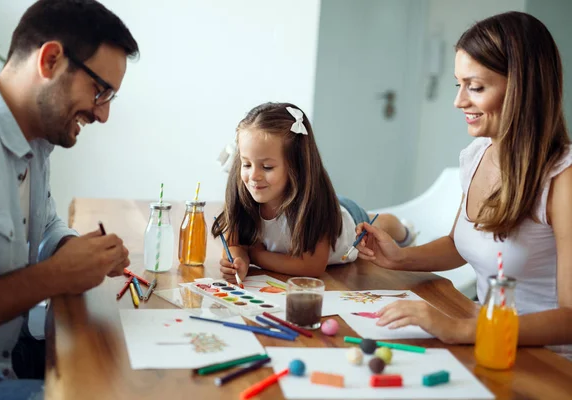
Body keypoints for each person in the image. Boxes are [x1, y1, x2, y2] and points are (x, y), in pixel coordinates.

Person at [356, 11, 572, 353]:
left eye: (476, 87)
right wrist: (400, 258)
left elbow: (570, 318)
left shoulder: (563, 180)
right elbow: (461, 244)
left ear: (522, 88)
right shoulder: (477, 155)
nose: (459, 101)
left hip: (547, 362)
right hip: (484, 342)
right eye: (459, 85)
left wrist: (458, 328)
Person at [0, 0, 139, 398]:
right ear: (50, 60)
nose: (103, 116)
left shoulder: (34, 138)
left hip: (8, 359)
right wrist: (56, 276)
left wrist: (72, 249)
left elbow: (42, 225)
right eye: (100, 92)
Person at [212, 102, 414, 283]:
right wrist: (239, 261)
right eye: (247, 164)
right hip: (325, 205)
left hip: (348, 221)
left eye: (267, 167)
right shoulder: (244, 196)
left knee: (380, 225)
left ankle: (405, 230)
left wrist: (256, 256)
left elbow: (311, 267)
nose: (253, 176)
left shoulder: (313, 208)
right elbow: (234, 245)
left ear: (296, 167)